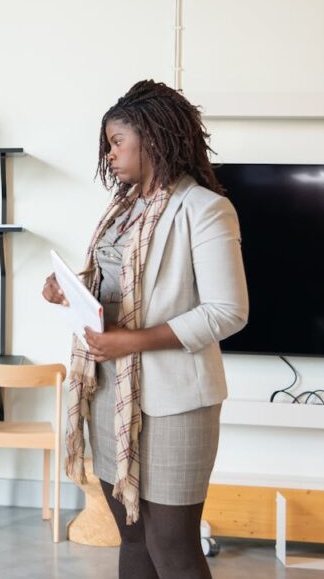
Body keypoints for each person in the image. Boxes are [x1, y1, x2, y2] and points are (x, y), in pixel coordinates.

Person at [43, 80, 248, 579]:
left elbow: (228, 311)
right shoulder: (122, 211)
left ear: (153, 139)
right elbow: (115, 287)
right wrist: (71, 289)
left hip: (176, 403)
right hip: (111, 395)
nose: (109, 155)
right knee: (131, 535)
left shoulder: (204, 209)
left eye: (117, 143)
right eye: (108, 145)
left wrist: (131, 340)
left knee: (171, 545)